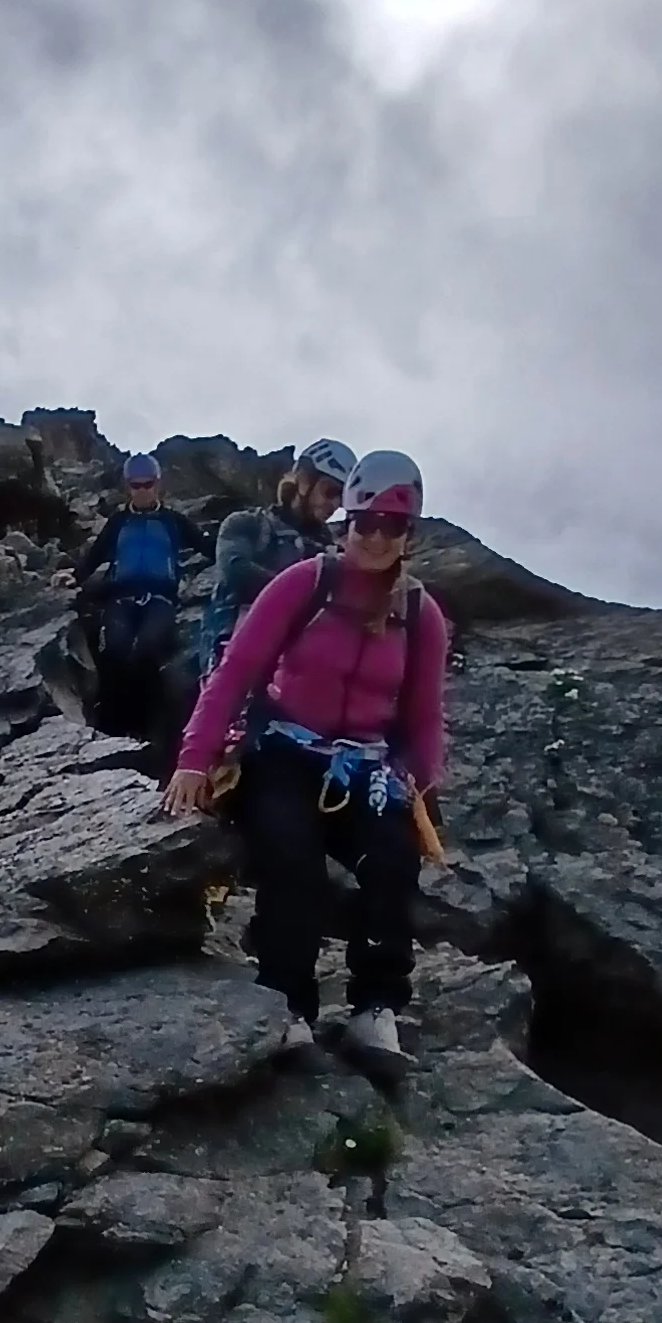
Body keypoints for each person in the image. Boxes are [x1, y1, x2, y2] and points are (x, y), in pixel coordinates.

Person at [162, 449, 447, 1075]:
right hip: (283, 752)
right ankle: (290, 1004)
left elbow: (424, 714)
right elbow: (235, 673)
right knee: (291, 854)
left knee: (392, 861)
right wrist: (194, 760)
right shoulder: (302, 584)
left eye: (391, 526)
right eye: (363, 521)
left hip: (367, 768)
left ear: (409, 533)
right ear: (346, 521)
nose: (374, 537)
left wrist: (422, 786)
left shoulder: (420, 614)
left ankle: (376, 1007)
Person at [64, 453, 210, 735]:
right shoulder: (118, 522)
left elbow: (208, 547)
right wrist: (73, 577)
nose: (142, 490)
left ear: (158, 484)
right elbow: (94, 556)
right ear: (127, 487)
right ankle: (112, 727)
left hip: (161, 599)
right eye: (136, 485)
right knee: (115, 650)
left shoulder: (173, 521)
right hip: (120, 597)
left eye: (148, 484)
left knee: (147, 649)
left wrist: (236, 557)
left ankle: (146, 727)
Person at [199, 437, 356, 678]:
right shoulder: (246, 523)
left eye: (342, 498)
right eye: (330, 491)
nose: (335, 504)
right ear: (304, 480)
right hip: (238, 658)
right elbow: (236, 571)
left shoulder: (332, 552)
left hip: (299, 671)